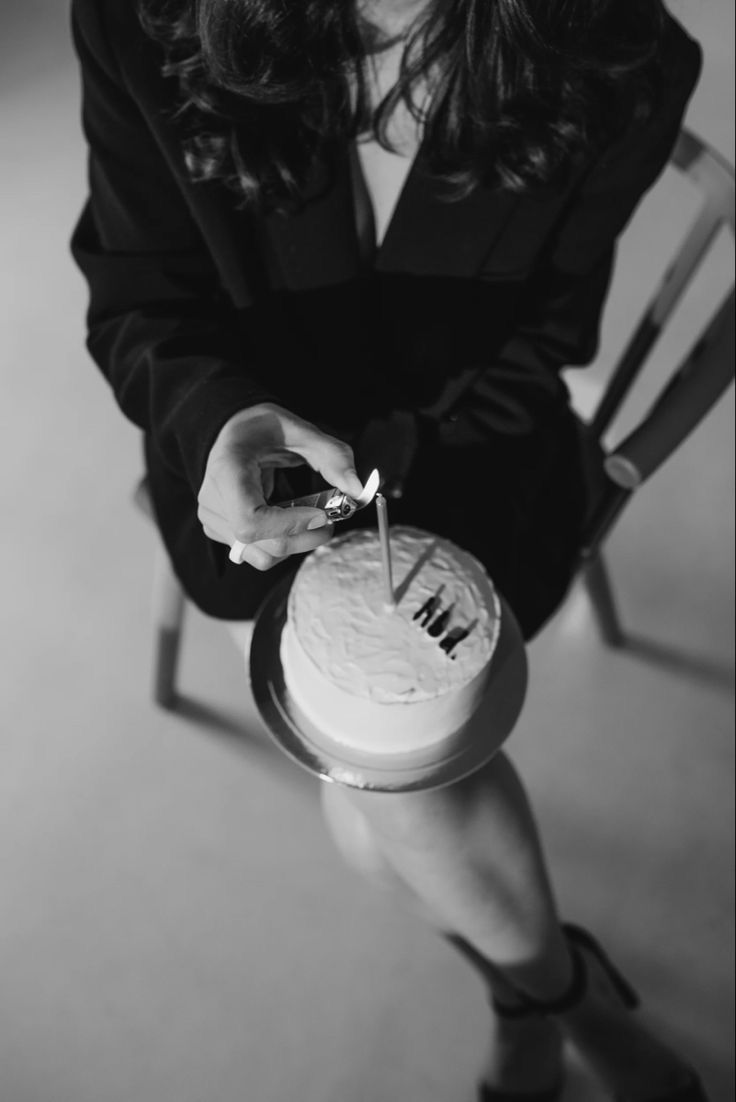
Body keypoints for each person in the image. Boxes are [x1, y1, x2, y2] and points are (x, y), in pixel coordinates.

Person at [70, 1, 708, 1098]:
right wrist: (221, 424)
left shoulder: (618, 54)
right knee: (390, 791)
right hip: (250, 479)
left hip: (467, 452)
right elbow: (139, 302)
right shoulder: (145, 17)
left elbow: (546, 343)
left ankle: (537, 996)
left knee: (389, 796)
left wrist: (388, 460)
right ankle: (563, 995)